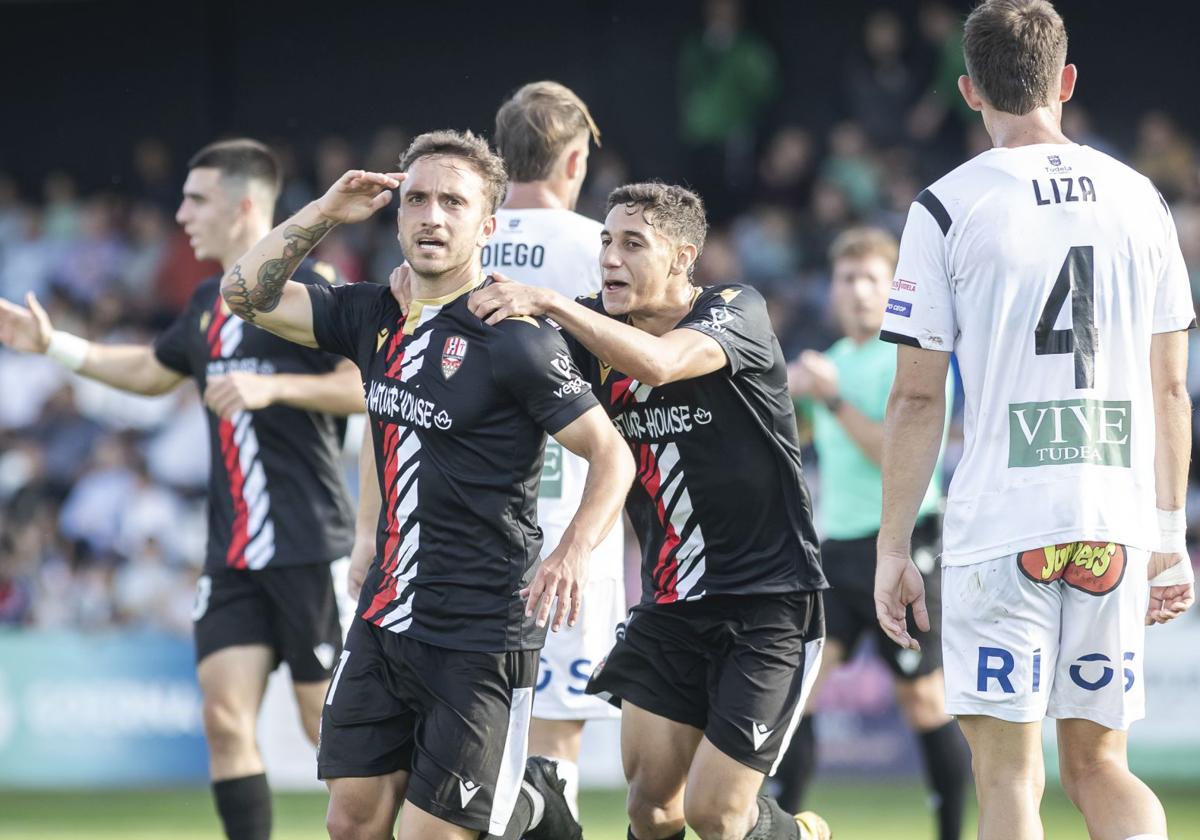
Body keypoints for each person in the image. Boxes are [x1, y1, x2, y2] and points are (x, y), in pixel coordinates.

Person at [218, 129, 634, 840]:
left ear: (487, 224)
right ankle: (530, 812)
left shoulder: (515, 337)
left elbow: (612, 455)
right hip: (384, 619)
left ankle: (535, 811)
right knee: (350, 823)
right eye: (416, 199)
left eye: (452, 201)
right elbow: (243, 293)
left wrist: (571, 553)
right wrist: (323, 210)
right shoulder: (372, 314)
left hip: (479, 631)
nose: (432, 217)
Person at [873, 3, 1196, 840]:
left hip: (1002, 524)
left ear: (968, 91)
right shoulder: (1142, 200)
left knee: (1011, 781)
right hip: (1114, 521)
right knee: (1102, 766)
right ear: (1066, 82)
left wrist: (894, 548)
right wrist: (1169, 536)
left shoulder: (945, 207)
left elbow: (915, 397)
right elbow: (1170, 392)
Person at [0, 138, 364, 840]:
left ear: (246, 205)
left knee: (327, 726)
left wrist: (273, 384)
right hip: (231, 553)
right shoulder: (205, 303)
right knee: (223, 719)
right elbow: (151, 370)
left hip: (311, 544)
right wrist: (54, 345)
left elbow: (369, 384)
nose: (181, 212)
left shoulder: (311, 285)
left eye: (196, 199)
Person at [467, 182, 830, 840]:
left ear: (683, 257)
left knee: (715, 815)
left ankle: (797, 834)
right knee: (649, 809)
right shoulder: (590, 336)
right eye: (606, 240)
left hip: (768, 605)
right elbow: (498, 369)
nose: (610, 256)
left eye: (633, 243)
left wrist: (548, 301)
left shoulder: (734, 310)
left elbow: (661, 365)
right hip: (670, 607)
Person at [368, 79, 624, 820]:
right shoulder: (595, 246)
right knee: (545, 755)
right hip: (567, 520)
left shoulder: (445, 244)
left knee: (457, 753)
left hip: (442, 522)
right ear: (574, 160)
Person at [776, 226, 968, 840]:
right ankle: (779, 826)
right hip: (838, 551)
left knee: (924, 703)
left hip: (908, 543)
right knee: (798, 691)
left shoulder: (907, 358)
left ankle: (949, 833)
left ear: (892, 289)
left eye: (870, 279)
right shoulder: (829, 363)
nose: (857, 291)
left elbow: (897, 457)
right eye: (846, 278)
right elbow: (796, 445)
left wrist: (830, 401)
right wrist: (790, 399)